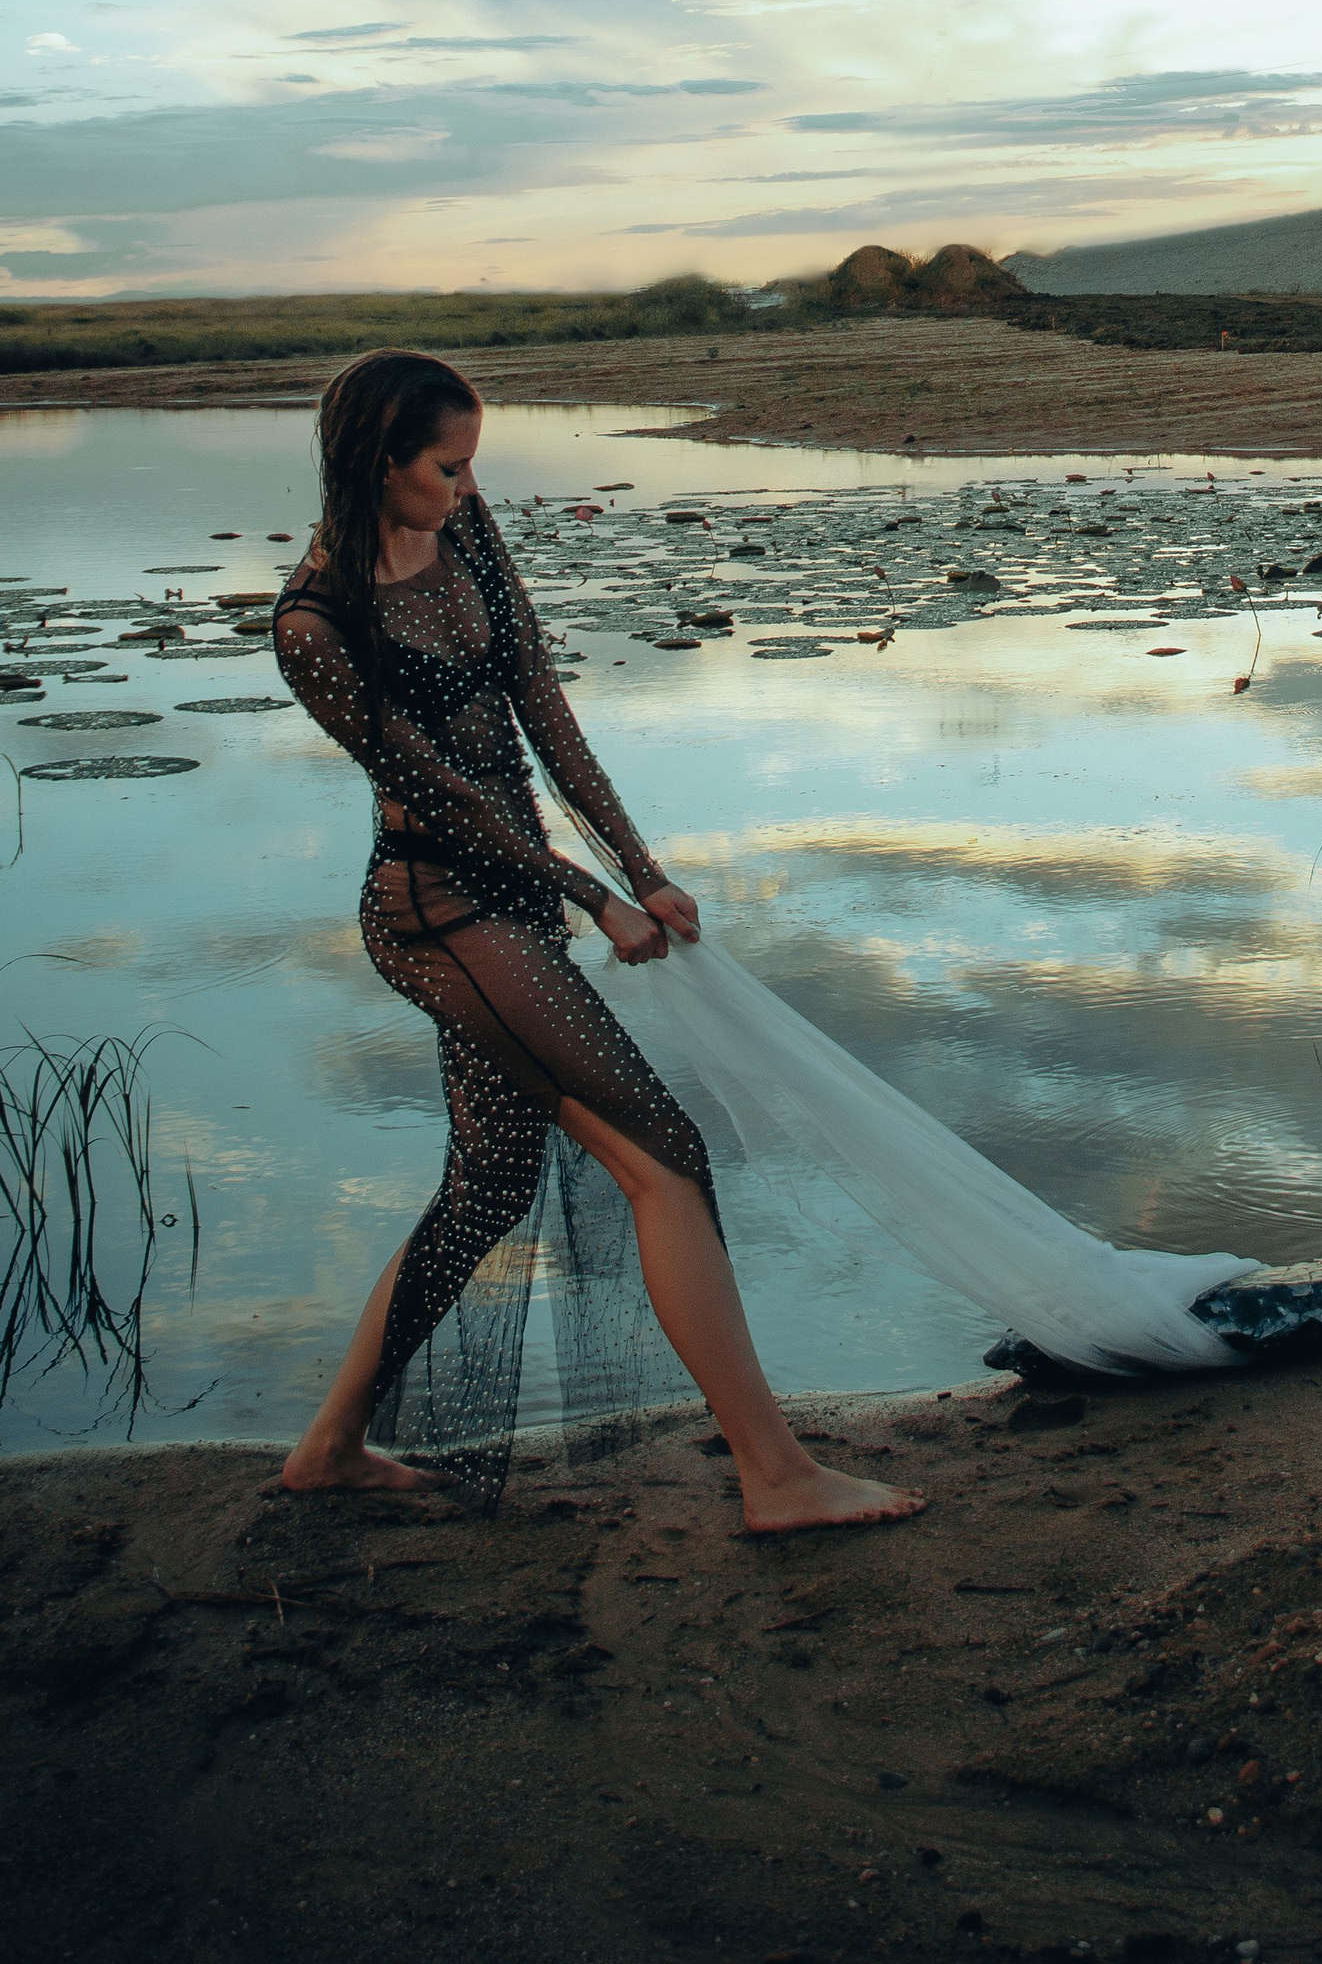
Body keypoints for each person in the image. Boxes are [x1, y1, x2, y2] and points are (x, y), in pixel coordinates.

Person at [269, 347, 923, 1534]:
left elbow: (542, 713)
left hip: (515, 902)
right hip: (438, 911)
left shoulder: (467, 536)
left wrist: (645, 870)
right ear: (382, 462)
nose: (469, 488)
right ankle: (775, 1473)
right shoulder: (316, 622)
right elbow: (443, 796)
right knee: (661, 1153)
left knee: (487, 1185)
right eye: (449, 467)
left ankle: (327, 1446)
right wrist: (593, 900)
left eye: (474, 465)